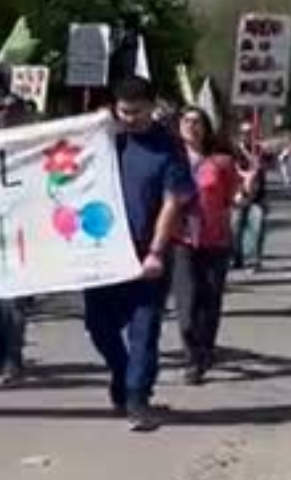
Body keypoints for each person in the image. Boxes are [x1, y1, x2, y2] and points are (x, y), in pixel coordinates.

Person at [83, 76, 195, 432]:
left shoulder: (169, 148)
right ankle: (121, 370)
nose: (129, 118)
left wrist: (156, 252)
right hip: (102, 252)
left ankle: (137, 399)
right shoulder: (104, 141)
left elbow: (172, 202)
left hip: (146, 254)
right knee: (98, 326)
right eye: (123, 111)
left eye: (136, 112)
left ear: (152, 107)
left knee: (144, 330)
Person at [173, 107, 238, 384]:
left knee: (209, 302)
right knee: (186, 306)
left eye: (197, 121)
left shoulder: (221, 162)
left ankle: (203, 353)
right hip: (181, 240)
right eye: (186, 121)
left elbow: (233, 198)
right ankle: (191, 353)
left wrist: (246, 191)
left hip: (215, 240)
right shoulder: (170, 159)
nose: (191, 126)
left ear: (206, 128)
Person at [0, 90, 34, 384]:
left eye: (12, 109)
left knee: (14, 302)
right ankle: (0, 337)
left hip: (22, 233)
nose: (5, 113)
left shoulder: (32, 143)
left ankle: (14, 359)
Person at [233, 119, 269, 271]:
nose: (246, 135)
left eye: (249, 132)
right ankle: (238, 258)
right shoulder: (235, 150)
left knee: (258, 226)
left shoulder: (260, 149)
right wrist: (243, 174)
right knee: (236, 227)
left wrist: (247, 152)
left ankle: (256, 261)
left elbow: (260, 165)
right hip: (240, 193)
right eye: (243, 132)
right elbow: (233, 168)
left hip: (258, 195)